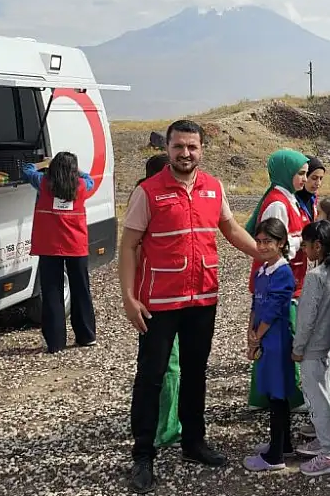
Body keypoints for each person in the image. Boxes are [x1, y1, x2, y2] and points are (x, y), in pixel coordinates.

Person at [119, 120, 260, 494]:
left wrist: (264, 255)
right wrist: (128, 298)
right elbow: (128, 246)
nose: (185, 153)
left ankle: (194, 442)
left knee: (196, 373)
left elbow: (230, 230)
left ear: (201, 150)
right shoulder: (148, 192)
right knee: (151, 377)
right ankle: (143, 454)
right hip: (159, 303)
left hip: (202, 299)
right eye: (179, 146)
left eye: (192, 147)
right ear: (167, 149)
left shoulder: (214, 188)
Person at [244, 149, 311, 412]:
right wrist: (302, 242)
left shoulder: (289, 199)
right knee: (281, 335)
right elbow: (273, 244)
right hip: (280, 279)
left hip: (289, 277)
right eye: (300, 174)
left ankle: (263, 395)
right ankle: (286, 394)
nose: (304, 179)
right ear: (286, 173)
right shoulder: (277, 204)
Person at [133, 154, 183, 452]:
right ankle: (166, 429)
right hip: (160, 299)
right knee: (169, 367)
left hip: (151, 297)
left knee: (152, 366)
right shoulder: (152, 202)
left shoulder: (141, 200)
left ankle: (152, 425)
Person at [22, 152, 96, 354]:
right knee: (81, 290)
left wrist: (44, 163)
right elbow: (89, 178)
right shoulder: (82, 186)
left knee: (52, 292)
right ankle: (86, 336)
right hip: (75, 244)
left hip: (49, 245)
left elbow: (26, 169)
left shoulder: (43, 183)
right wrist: (77, 169)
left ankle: (55, 342)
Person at [293, 220, 330, 477]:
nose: (303, 249)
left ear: (317, 245)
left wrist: (298, 347)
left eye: (305, 244)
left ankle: (328, 453)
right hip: (328, 343)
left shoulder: (316, 277)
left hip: (313, 347)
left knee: (316, 398)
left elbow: (306, 319)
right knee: (324, 395)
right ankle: (326, 441)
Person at [243, 218, 298, 472]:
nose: (263, 246)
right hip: (263, 338)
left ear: (281, 243)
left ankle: (275, 456)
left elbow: (275, 309)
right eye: (260, 241)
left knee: (277, 396)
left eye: (269, 242)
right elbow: (256, 304)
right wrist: (250, 334)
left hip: (275, 339)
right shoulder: (263, 270)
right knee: (274, 393)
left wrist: (258, 335)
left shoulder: (283, 272)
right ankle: (283, 443)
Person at [296, 156, 326, 221]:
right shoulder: (292, 200)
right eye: (314, 178)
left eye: (320, 178)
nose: (318, 183)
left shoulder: (313, 198)